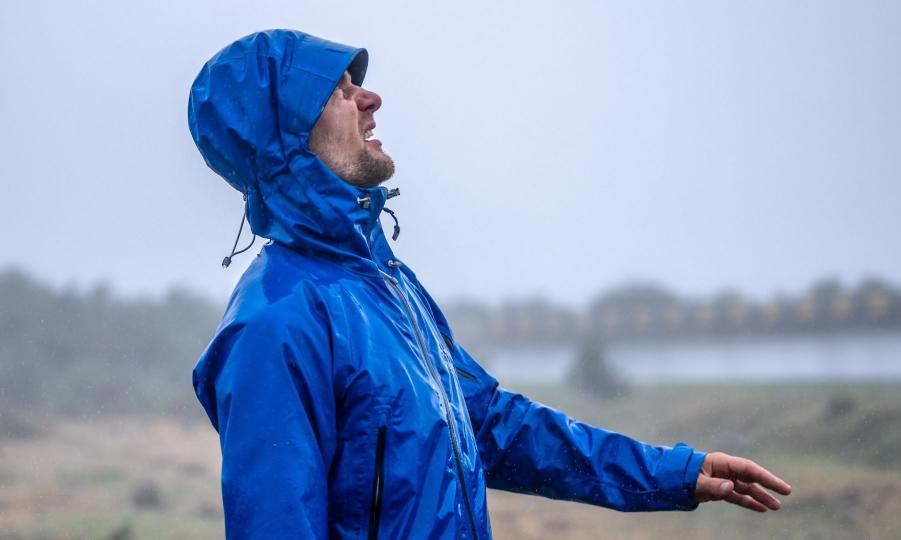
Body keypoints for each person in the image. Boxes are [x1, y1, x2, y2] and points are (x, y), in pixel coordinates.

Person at [188, 29, 791, 539]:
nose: (371, 98)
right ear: (284, 135)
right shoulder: (276, 324)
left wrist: (673, 473)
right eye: (338, 91)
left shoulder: (385, 285)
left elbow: (492, 426)